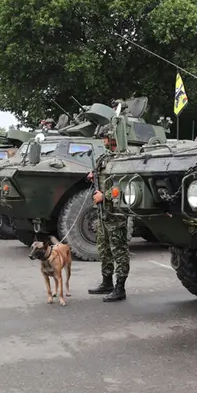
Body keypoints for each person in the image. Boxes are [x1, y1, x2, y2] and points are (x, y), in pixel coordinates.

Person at [87, 125, 130, 302]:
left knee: (118, 250)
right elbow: (101, 175)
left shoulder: (124, 157)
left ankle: (120, 288)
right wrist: (93, 174)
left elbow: (125, 185)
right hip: (103, 212)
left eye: (105, 137)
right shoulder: (105, 157)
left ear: (113, 137)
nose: (103, 140)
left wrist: (103, 196)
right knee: (104, 249)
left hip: (116, 213)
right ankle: (107, 282)